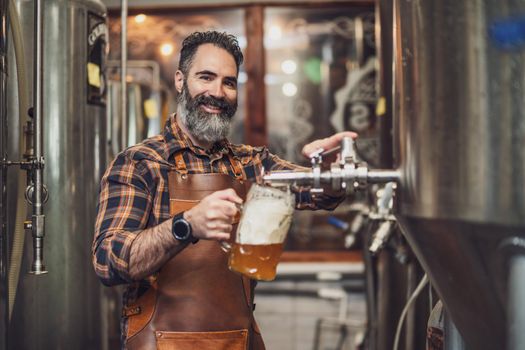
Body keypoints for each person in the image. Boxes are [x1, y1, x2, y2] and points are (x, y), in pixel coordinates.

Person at [92, 31, 355, 350]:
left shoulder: (252, 164)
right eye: (206, 77)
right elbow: (108, 261)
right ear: (180, 80)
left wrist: (330, 169)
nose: (218, 92)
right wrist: (185, 226)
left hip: (237, 341)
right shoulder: (141, 163)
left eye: (229, 82)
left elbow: (321, 194)